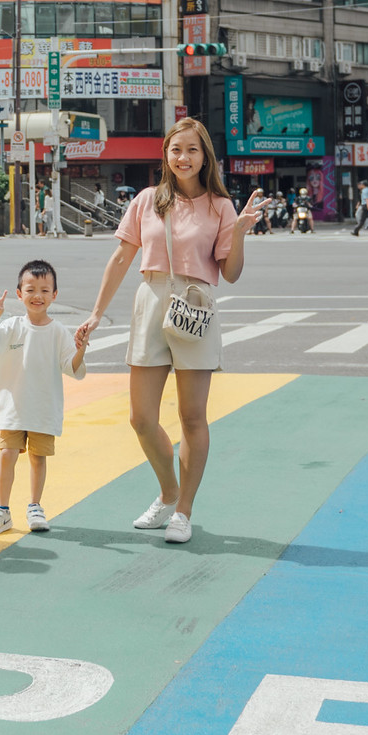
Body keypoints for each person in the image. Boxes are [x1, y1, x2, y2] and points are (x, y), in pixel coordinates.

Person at [80, 118, 261, 544]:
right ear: (166, 154)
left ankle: (183, 511)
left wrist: (239, 233)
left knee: (191, 416)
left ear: (205, 157)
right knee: (141, 418)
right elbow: (122, 258)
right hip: (152, 297)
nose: (183, 157)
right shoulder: (147, 201)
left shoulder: (220, 206)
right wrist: (95, 313)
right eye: (176, 149)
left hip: (195, 304)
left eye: (192, 150)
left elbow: (230, 273)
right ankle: (168, 491)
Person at [0, 259, 90, 536]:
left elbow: (72, 369)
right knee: (7, 454)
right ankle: (2, 510)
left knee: (38, 458)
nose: (37, 296)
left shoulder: (59, 332)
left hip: (42, 408)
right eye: (30, 290)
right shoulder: (10, 326)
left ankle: (35, 506)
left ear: (54, 295)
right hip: (13, 407)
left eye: (44, 290)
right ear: (19, 293)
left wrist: (81, 349)